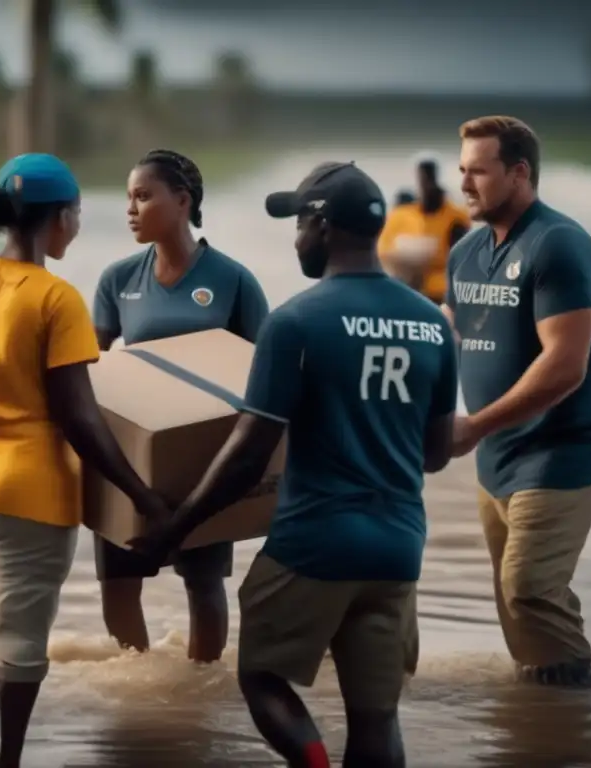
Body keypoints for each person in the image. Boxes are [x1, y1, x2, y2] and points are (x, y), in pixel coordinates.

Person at [131, 161, 459, 768]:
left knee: (260, 678)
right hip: (398, 549)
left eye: (299, 224)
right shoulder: (432, 326)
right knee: (377, 717)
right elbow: (435, 453)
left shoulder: (296, 322)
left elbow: (248, 453)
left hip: (314, 544)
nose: (296, 239)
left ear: (323, 225)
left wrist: (171, 533)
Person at [0, 153, 171, 768]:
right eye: (77, 214)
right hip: (29, 493)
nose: (77, 226)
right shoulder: (58, 300)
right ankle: (10, 759)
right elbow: (80, 419)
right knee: (24, 637)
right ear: (58, 219)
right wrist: (142, 494)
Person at [444, 116, 591, 685]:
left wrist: (473, 427)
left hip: (562, 450)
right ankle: (549, 720)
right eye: (462, 170)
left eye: (479, 172)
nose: (465, 184)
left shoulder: (558, 244)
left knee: (529, 588)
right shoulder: (466, 253)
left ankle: (580, 711)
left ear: (519, 173)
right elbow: (447, 336)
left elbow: (566, 365)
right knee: (514, 604)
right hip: (496, 455)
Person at [91, 148, 269, 662]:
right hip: (132, 462)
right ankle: (140, 688)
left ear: (182, 201)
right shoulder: (118, 280)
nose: (131, 209)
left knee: (204, 584)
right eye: (128, 198)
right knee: (120, 583)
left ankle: (200, 689)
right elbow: (95, 371)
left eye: (143, 197)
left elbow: (264, 377)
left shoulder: (233, 280)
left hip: (207, 460)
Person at [378, 156, 471, 304]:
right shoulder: (401, 216)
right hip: (403, 287)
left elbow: (460, 260)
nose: (426, 187)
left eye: (429, 180)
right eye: (423, 181)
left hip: (439, 291)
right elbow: (383, 251)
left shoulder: (455, 218)